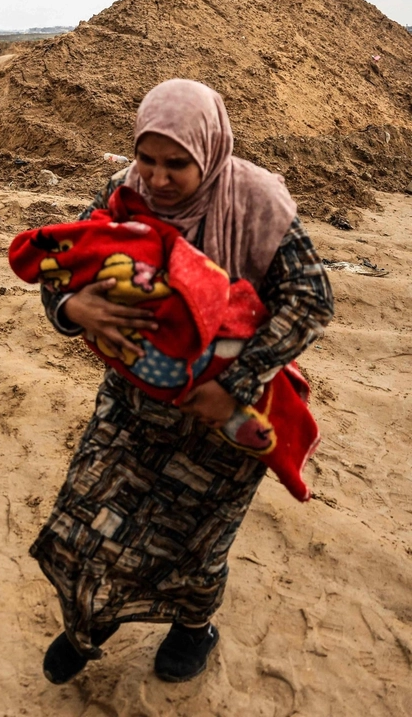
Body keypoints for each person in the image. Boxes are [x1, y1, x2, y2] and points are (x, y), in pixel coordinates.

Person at [30, 78, 334, 684]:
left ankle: (194, 628)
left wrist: (237, 385)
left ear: (211, 153)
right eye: (146, 158)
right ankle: (89, 624)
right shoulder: (123, 194)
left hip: (222, 419)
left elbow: (312, 298)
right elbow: (63, 265)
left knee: (194, 545)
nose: (158, 179)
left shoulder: (255, 203)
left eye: (177, 164)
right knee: (84, 523)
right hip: (133, 401)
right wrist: (74, 308)